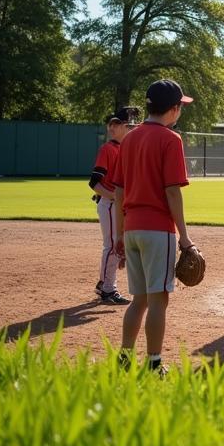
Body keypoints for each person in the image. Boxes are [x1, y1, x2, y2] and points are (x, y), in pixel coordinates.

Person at [113, 80, 199, 374]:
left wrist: (118, 233)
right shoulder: (170, 139)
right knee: (158, 300)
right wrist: (185, 238)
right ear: (173, 110)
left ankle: (124, 358)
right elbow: (172, 191)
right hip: (157, 229)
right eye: (180, 107)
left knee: (138, 300)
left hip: (132, 228)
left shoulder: (130, 139)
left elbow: (119, 191)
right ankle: (153, 363)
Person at [88, 106, 140, 304]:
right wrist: (114, 197)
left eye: (117, 124)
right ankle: (108, 289)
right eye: (112, 123)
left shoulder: (128, 149)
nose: (112, 127)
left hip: (120, 205)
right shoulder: (109, 150)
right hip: (110, 205)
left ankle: (105, 284)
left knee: (117, 246)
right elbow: (94, 183)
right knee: (111, 246)